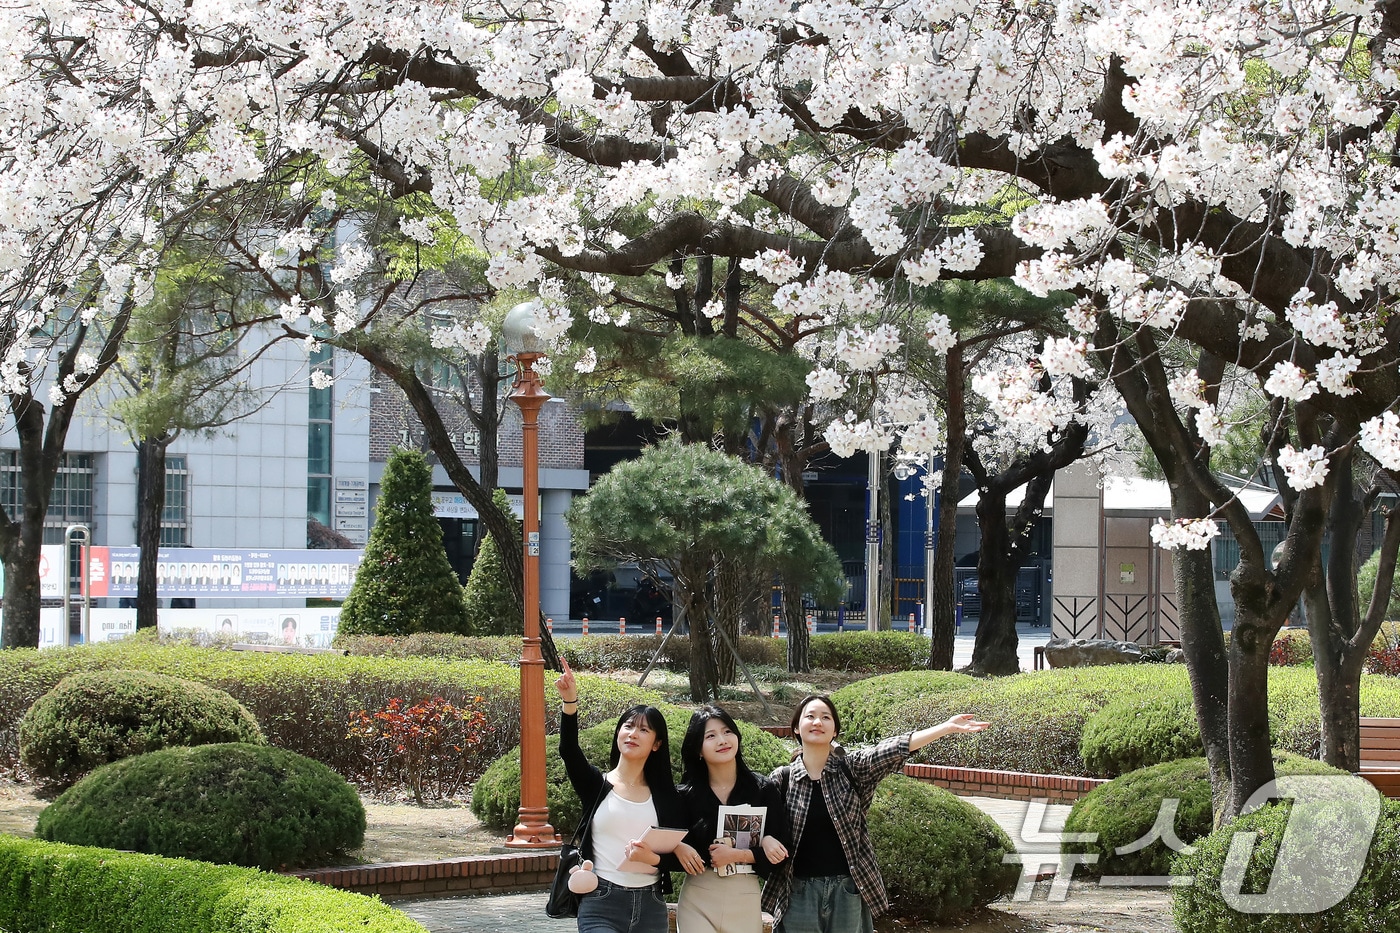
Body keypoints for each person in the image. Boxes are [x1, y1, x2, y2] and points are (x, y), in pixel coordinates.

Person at [762, 695, 989, 933]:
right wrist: (767, 840)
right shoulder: (782, 778)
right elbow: (764, 826)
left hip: (847, 890)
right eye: (810, 716)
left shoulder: (853, 769)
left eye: (825, 717)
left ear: (835, 731)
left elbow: (891, 749)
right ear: (797, 727)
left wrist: (945, 728)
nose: (817, 722)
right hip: (798, 891)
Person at [555, 659, 686, 933]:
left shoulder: (667, 797)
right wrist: (570, 703)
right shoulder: (597, 785)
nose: (633, 734)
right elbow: (569, 750)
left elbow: (676, 858)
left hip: (651, 905)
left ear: (657, 744)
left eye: (644, 730)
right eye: (627, 726)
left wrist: (654, 859)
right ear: (618, 733)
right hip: (601, 900)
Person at [673, 705, 789, 933]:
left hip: (744, 895)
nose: (722, 740)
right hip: (698, 895)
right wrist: (677, 847)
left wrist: (758, 844)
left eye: (727, 732)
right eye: (710, 736)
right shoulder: (684, 795)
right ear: (698, 748)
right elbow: (666, 844)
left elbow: (783, 854)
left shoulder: (763, 789)